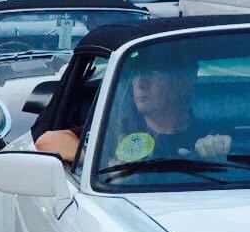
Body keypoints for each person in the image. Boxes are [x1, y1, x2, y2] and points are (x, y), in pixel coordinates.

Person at [34, 49, 231, 167]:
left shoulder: (208, 137)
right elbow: (48, 140)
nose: (140, 83)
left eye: (153, 73)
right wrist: (100, 163)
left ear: (184, 83)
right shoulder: (115, 130)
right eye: (137, 74)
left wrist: (216, 158)